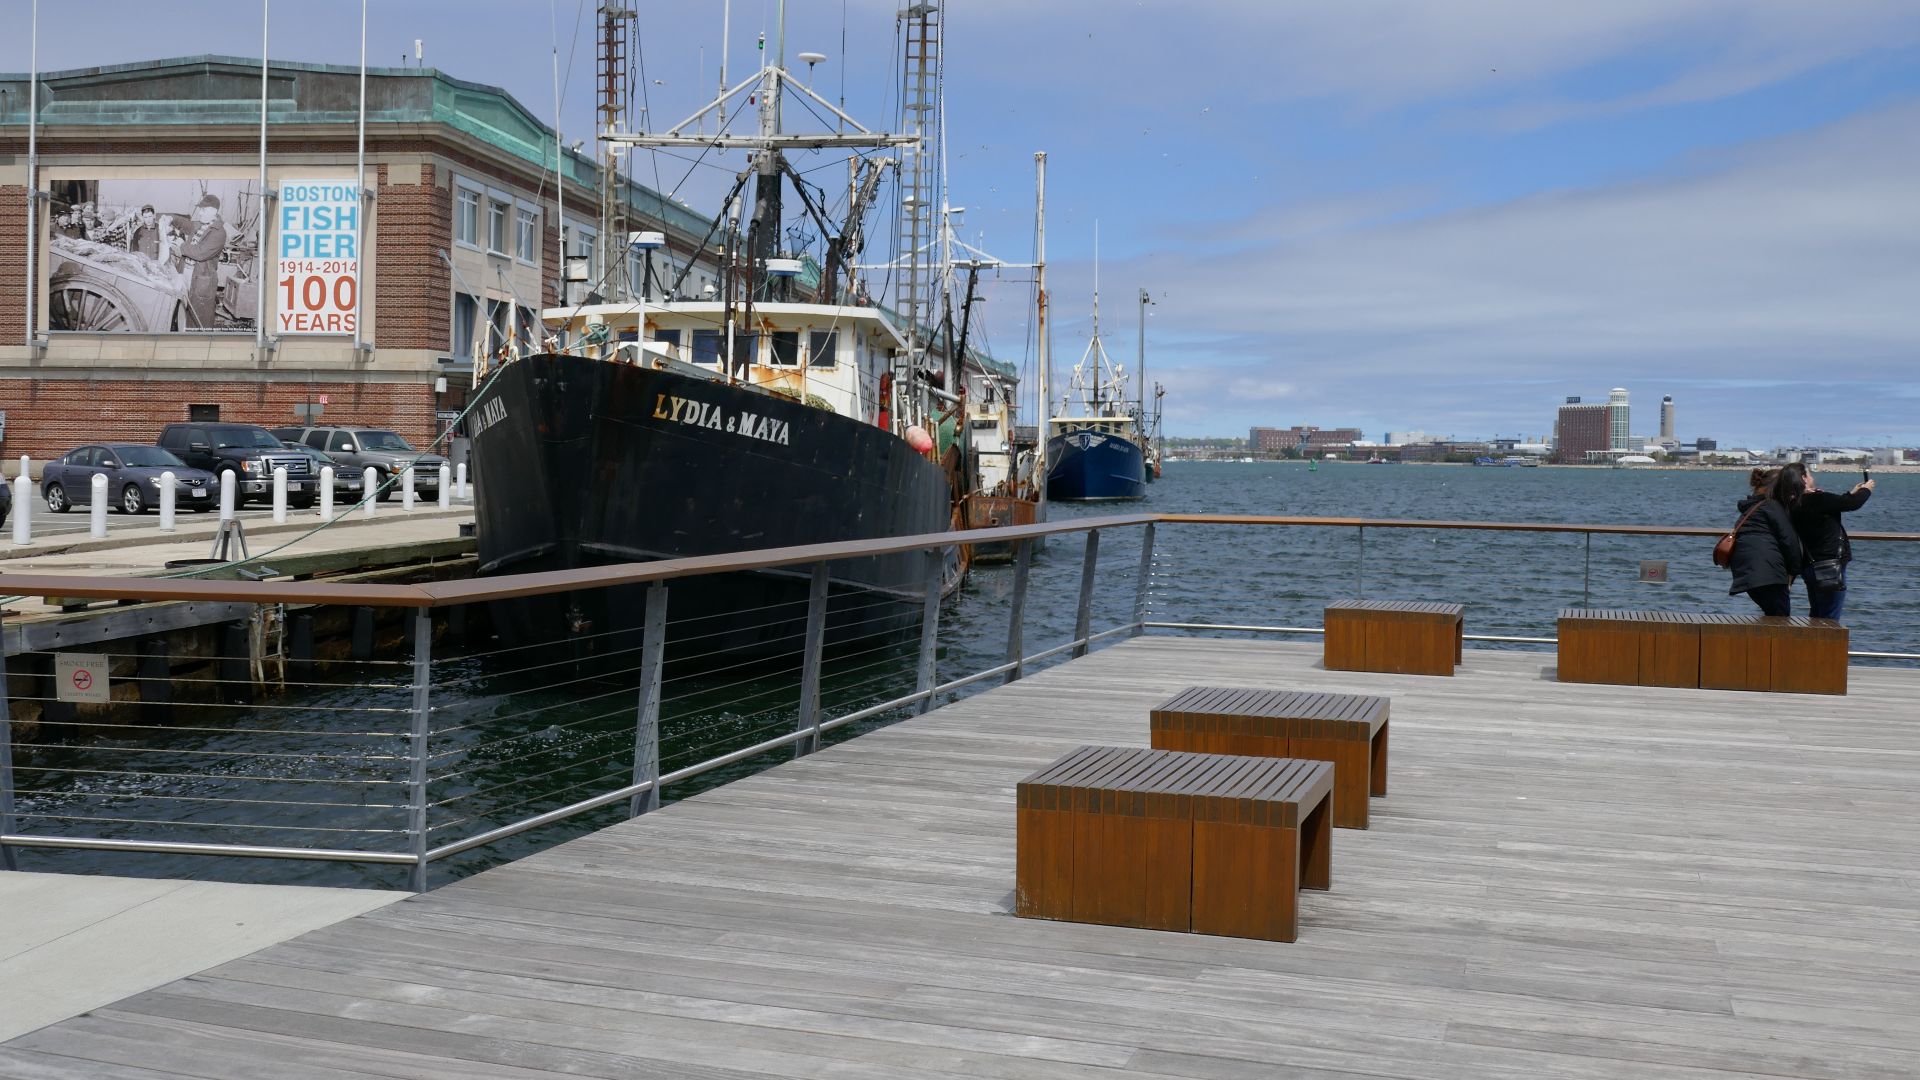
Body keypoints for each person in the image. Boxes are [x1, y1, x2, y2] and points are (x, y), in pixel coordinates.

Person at [1781, 462, 1874, 622]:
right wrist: (1867, 490)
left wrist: (1852, 492)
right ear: (1803, 478)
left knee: (1817, 614)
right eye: (1809, 474)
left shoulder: (1792, 504)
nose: (1812, 477)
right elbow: (1852, 504)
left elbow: (1838, 503)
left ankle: (1813, 646)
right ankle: (1824, 647)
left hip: (1809, 566)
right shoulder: (1818, 499)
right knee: (1830, 619)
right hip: (1829, 567)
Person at [1727, 467, 1803, 616]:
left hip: (1750, 573)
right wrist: (1793, 572)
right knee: (1780, 619)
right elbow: (1789, 541)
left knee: (1773, 616)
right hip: (1768, 575)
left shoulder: (1752, 509)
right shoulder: (1771, 506)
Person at [178, 193, 227, 328]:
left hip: (201, 281)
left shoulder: (219, 233)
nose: (199, 213)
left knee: (198, 317)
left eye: (203, 210)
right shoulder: (199, 225)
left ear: (213, 211)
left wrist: (180, 245)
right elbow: (182, 222)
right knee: (183, 311)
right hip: (186, 274)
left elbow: (200, 253)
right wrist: (168, 218)